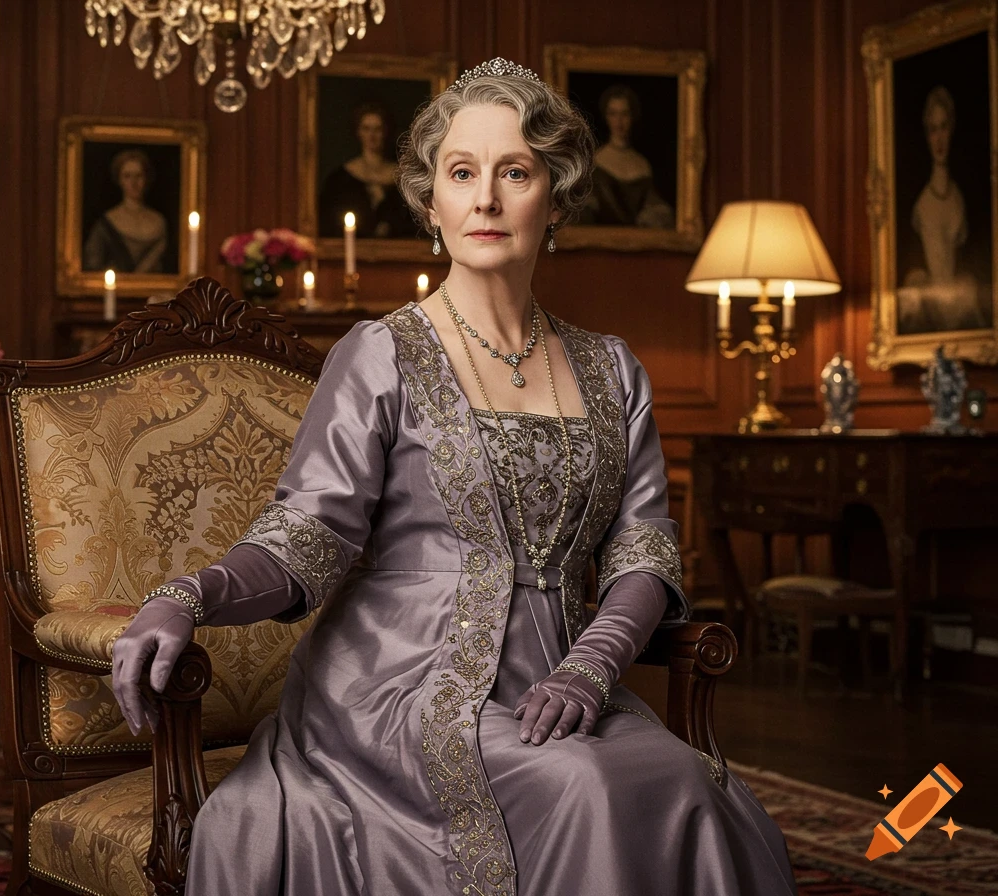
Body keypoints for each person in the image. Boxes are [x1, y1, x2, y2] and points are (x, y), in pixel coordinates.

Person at [111, 58, 799, 895]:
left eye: (515, 172)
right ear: (430, 203)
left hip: (565, 678)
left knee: (685, 786)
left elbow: (644, 554)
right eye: (462, 173)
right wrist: (188, 594)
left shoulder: (612, 370)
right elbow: (306, 537)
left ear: (556, 196)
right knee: (581, 786)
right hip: (398, 685)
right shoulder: (380, 353)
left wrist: (595, 663)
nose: (486, 199)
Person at [897, 86, 987, 334]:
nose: (939, 138)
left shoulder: (959, 197)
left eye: (943, 127)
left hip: (956, 299)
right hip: (932, 300)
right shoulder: (923, 203)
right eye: (932, 129)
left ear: (952, 129)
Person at [578, 83, 674, 228]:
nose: (619, 121)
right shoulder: (596, 161)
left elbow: (656, 210)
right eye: (613, 114)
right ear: (606, 116)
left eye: (625, 114)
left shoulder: (642, 164)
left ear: (633, 116)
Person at [318, 101, 419, 238]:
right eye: (366, 128)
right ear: (358, 132)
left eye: (377, 129)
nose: (372, 135)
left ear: (386, 132)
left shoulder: (404, 178)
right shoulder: (340, 179)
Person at [82, 148, 168, 274]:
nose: (133, 183)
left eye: (139, 176)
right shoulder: (106, 223)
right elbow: (93, 266)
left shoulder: (159, 221)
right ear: (119, 180)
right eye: (127, 176)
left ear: (147, 179)